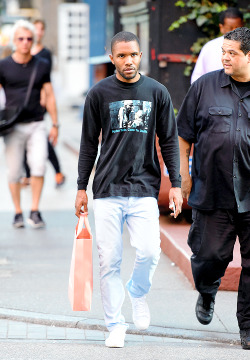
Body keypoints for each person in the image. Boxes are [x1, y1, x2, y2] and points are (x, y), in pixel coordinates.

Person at [75, 31, 182, 348]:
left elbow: (170, 142)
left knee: (150, 252)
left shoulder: (156, 92)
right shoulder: (98, 93)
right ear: (112, 58)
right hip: (107, 189)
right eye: (121, 56)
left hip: (144, 187)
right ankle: (115, 325)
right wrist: (82, 187)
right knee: (110, 261)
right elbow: (86, 146)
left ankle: (137, 292)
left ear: (141, 55)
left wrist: (175, 183)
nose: (128, 61)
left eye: (133, 54)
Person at [177, 27, 250, 350]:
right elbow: (183, 134)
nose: (224, 57)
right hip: (212, 190)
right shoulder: (205, 87)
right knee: (208, 256)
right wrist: (183, 175)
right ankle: (207, 290)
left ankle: (247, 327)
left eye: (232, 52)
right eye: (223, 51)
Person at [0, 20, 59, 228]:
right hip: (12, 126)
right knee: (14, 172)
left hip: (37, 123)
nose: (25, 42)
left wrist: (56, 123)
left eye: (29, 39)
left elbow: (49, 95)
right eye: (21, 39)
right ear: (14, 41)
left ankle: (34, 210)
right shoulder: (3, 65)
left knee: (39, 166)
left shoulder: (41, 65)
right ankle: (18, 212)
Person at [21, 19, 65, 188]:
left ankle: (57, 170)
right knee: (25, 136)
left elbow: (46, 80)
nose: (38, 32)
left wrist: (45, 98)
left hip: (39, 101)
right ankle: (28, 174)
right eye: (36, 29)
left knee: (38, 137)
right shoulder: (23, 50)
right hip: (22, 102)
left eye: (41, 29)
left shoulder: (45, 54)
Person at [191, 7, 244, 84]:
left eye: (237, 28)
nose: (234, 32)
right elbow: (197, 78)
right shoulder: (210, 48)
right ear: (221, 27)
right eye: (230, 28)